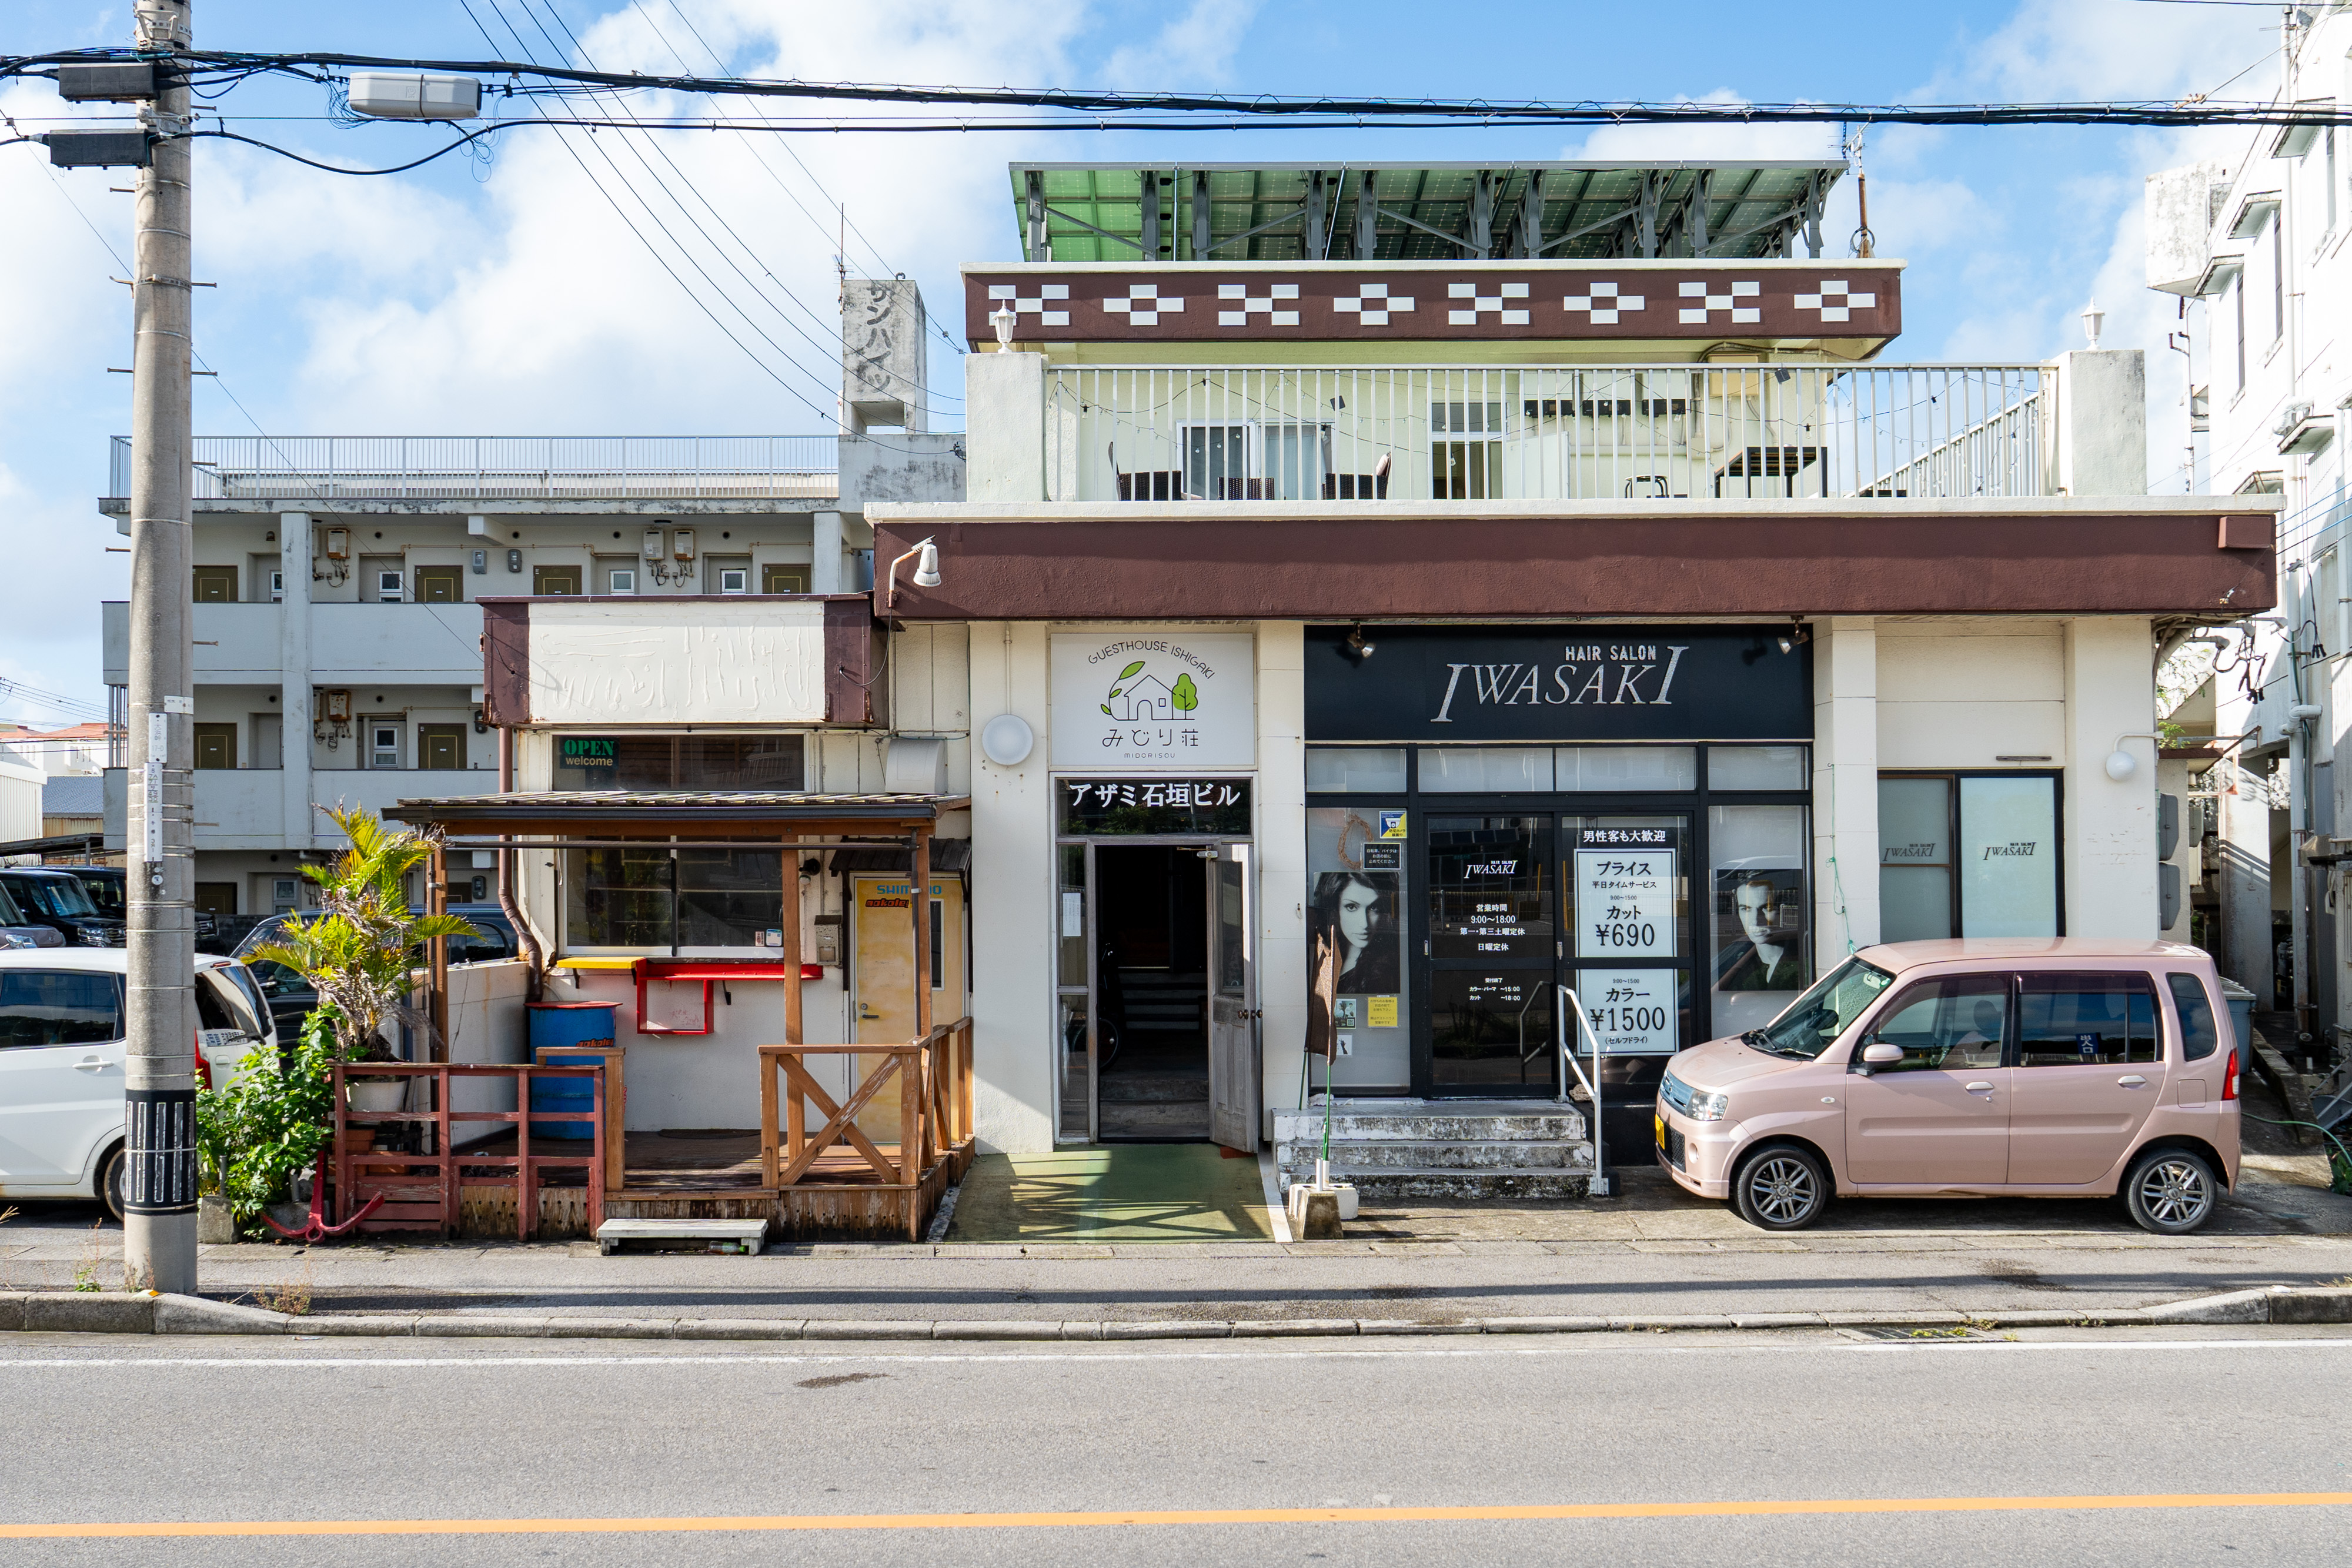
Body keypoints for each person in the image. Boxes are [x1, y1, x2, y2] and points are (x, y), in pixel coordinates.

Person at [1311, 870, 1398, 995]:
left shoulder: (1383, 973)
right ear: (1335, 910)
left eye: (1374, 908)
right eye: (1351, 907)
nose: (1364, 924)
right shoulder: (1324, 955)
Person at [1715, 874, 1803, 991]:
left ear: (1779, 910)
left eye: (1766, 908)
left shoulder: (1803, 964)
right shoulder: (1741, 962)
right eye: (1746, 909)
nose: (1756, 920)